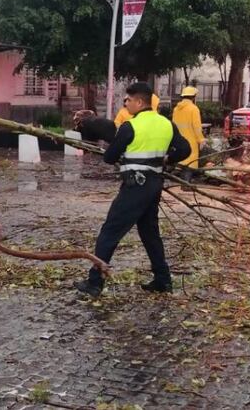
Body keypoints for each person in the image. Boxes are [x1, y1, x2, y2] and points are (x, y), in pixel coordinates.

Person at [74, 82, 191, 298]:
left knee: (110, 232)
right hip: (154, 185)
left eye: (128, 99)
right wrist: (168, 158)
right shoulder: (167, 124)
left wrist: (122, 153)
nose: (125, 102)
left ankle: (95, 282)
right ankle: (163, 280)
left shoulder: (131, 126)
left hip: (134, 187)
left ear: (139, 102)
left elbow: (109, 157)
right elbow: (185, 149)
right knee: (150, 233)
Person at [172, 86, 205, 180]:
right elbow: (197, 126)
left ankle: (177, 176)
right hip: (191, 140)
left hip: (179, 140)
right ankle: (186, 183)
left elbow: (174, 125)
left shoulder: (176, 109)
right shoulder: (193, 109)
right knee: (190, 163)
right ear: (193, 97)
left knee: (182, 160)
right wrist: (201, 139)